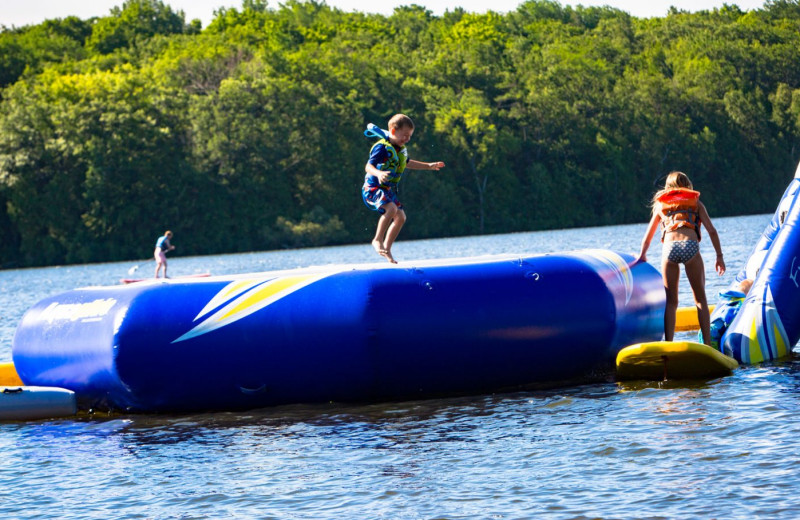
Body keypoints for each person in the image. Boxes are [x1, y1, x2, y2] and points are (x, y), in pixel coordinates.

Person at [637, 171, 726, 346]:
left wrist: (642, 255)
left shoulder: (660, 205)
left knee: (671, 302)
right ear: (688, 186)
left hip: (669, 249)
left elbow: (648, 237)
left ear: (667, 188)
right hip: (690, 247)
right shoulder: (696, 204)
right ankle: (707, 345)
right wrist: (719, 257)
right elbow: (712, 231)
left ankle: (669, 344)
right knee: (700, 299)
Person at [362, 114, 445, 263]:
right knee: (392, 209)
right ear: (393, 131)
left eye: (410, 136)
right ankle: (377, 239)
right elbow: (368, 167)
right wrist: (379, 173)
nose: (407, 139)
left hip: (386, 188)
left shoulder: (399, 149)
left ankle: (386, 249)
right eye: (405, 135)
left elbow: (407, 163)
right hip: (373, 187)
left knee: (401, 217)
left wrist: (429, 166)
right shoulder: (381, 148)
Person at [700, 278, 753, 355]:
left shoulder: (728, 300)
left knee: (705, 353)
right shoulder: (741, 304)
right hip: (715, 334)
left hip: (705, 330)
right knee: (715, 356)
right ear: (748, 294)